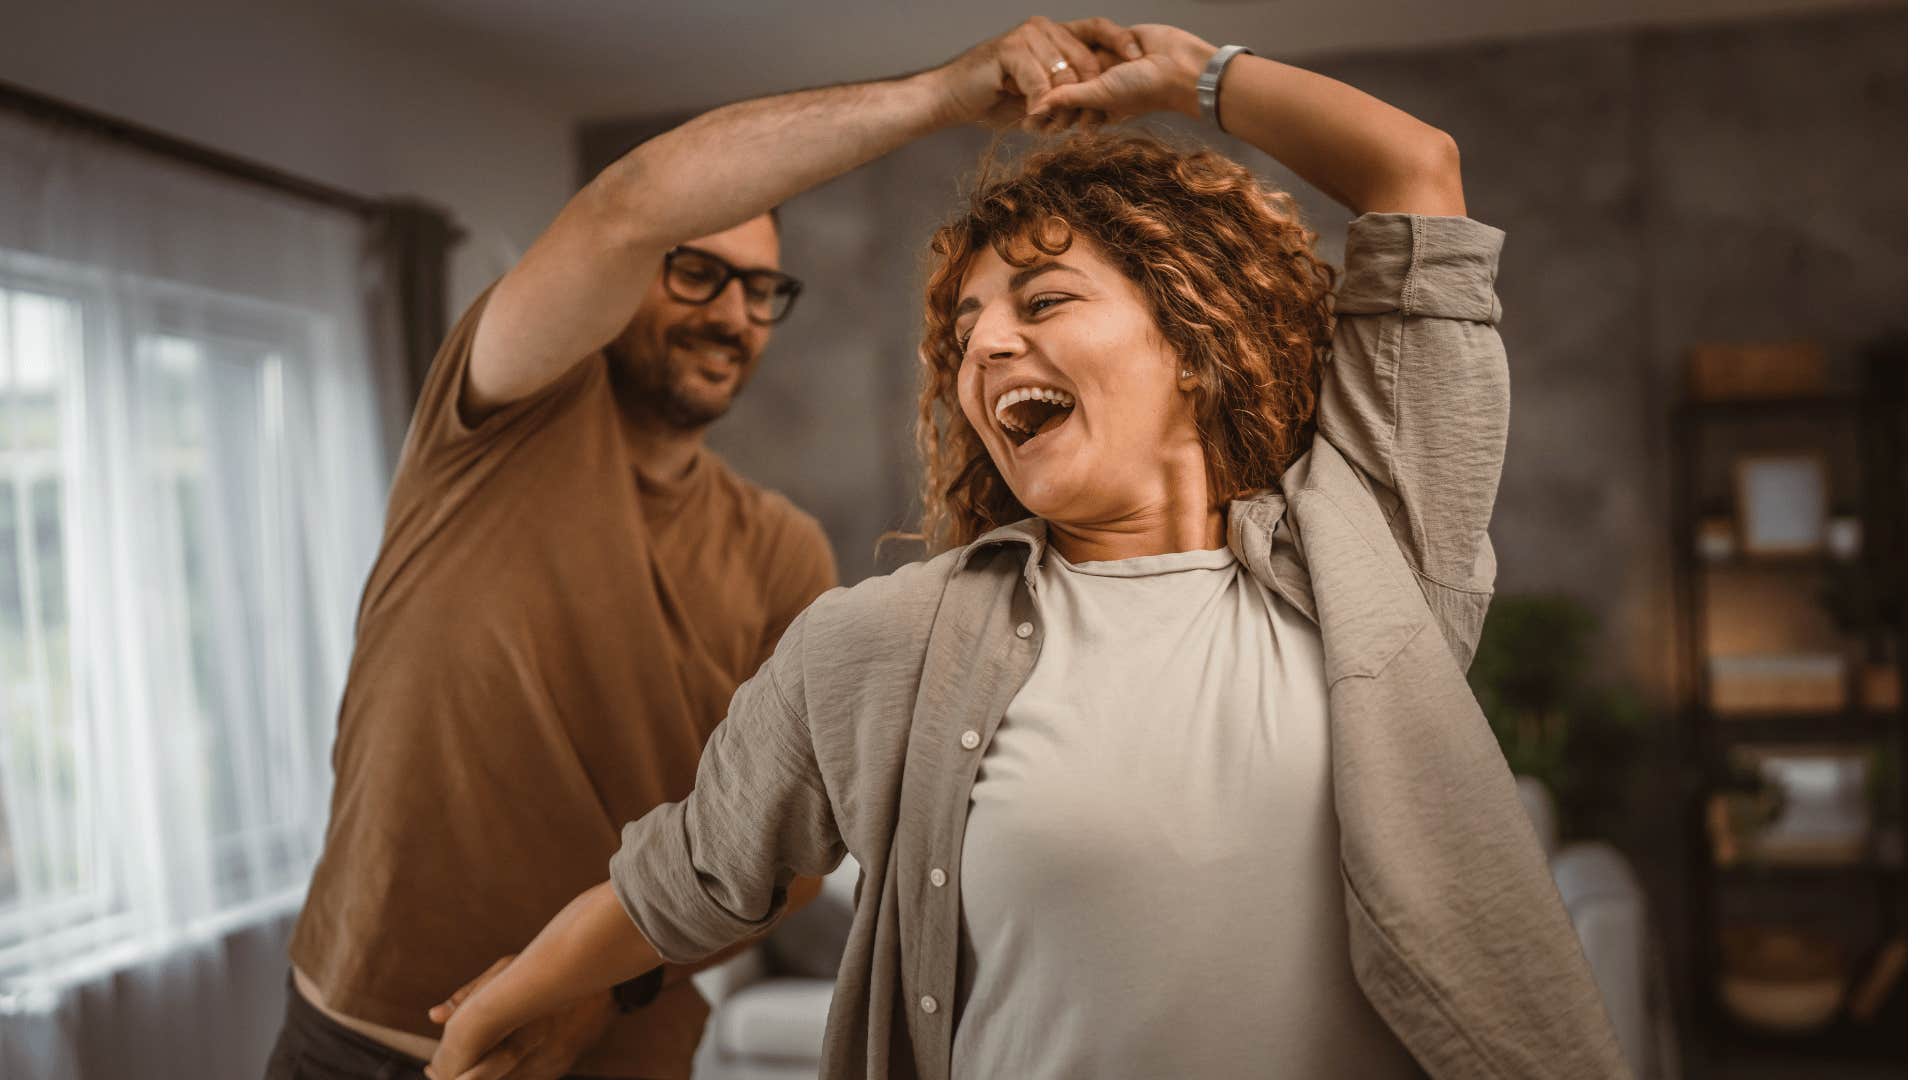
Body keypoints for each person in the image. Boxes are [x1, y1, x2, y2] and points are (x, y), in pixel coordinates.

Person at [425, 16, 1631, 1080]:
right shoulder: (883, 641)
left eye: (1044, 302)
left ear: (1195, 334)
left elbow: (1416, 175)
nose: (985, 350)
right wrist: (514, 995)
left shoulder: (1369, 546)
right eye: (964, 331)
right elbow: (683, 876)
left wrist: (1194, 76)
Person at [268, 74, 843, 1080]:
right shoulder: (497, 417)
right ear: (631, 275)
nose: (733, 315)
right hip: (353, 1043)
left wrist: (606, 986)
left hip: (607, 1056)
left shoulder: (784, 550)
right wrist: (955, 90)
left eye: (761, 290)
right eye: (697, 272)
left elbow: (795, 850)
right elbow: (624, 207)